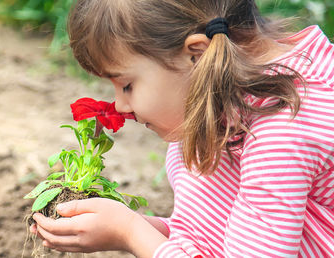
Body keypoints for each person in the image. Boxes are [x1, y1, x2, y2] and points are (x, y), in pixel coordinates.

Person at [30, 0, 334, 257]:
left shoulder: (284, 132)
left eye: (127, 85)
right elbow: (211, 231)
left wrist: (130, 232)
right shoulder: (217, 95)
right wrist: (143, 228)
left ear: (197, 55)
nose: (121, 106)